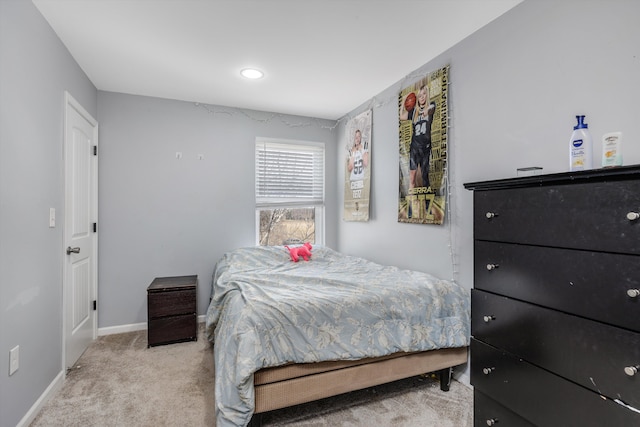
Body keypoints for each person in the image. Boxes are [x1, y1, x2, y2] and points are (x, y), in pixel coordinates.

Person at [401, 83, 435, 190]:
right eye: (420, 95)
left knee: (425, 177)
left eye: (424, 94)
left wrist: (426, 110)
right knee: (412, 177)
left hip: (425, 147)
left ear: (427, 95)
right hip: (415, 147)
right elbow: (401, 116)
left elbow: (431, 109)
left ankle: (427, 203)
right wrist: (403, 101)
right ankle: (411, 204)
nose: (422, 97)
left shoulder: (431, 105)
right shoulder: (414, 111)